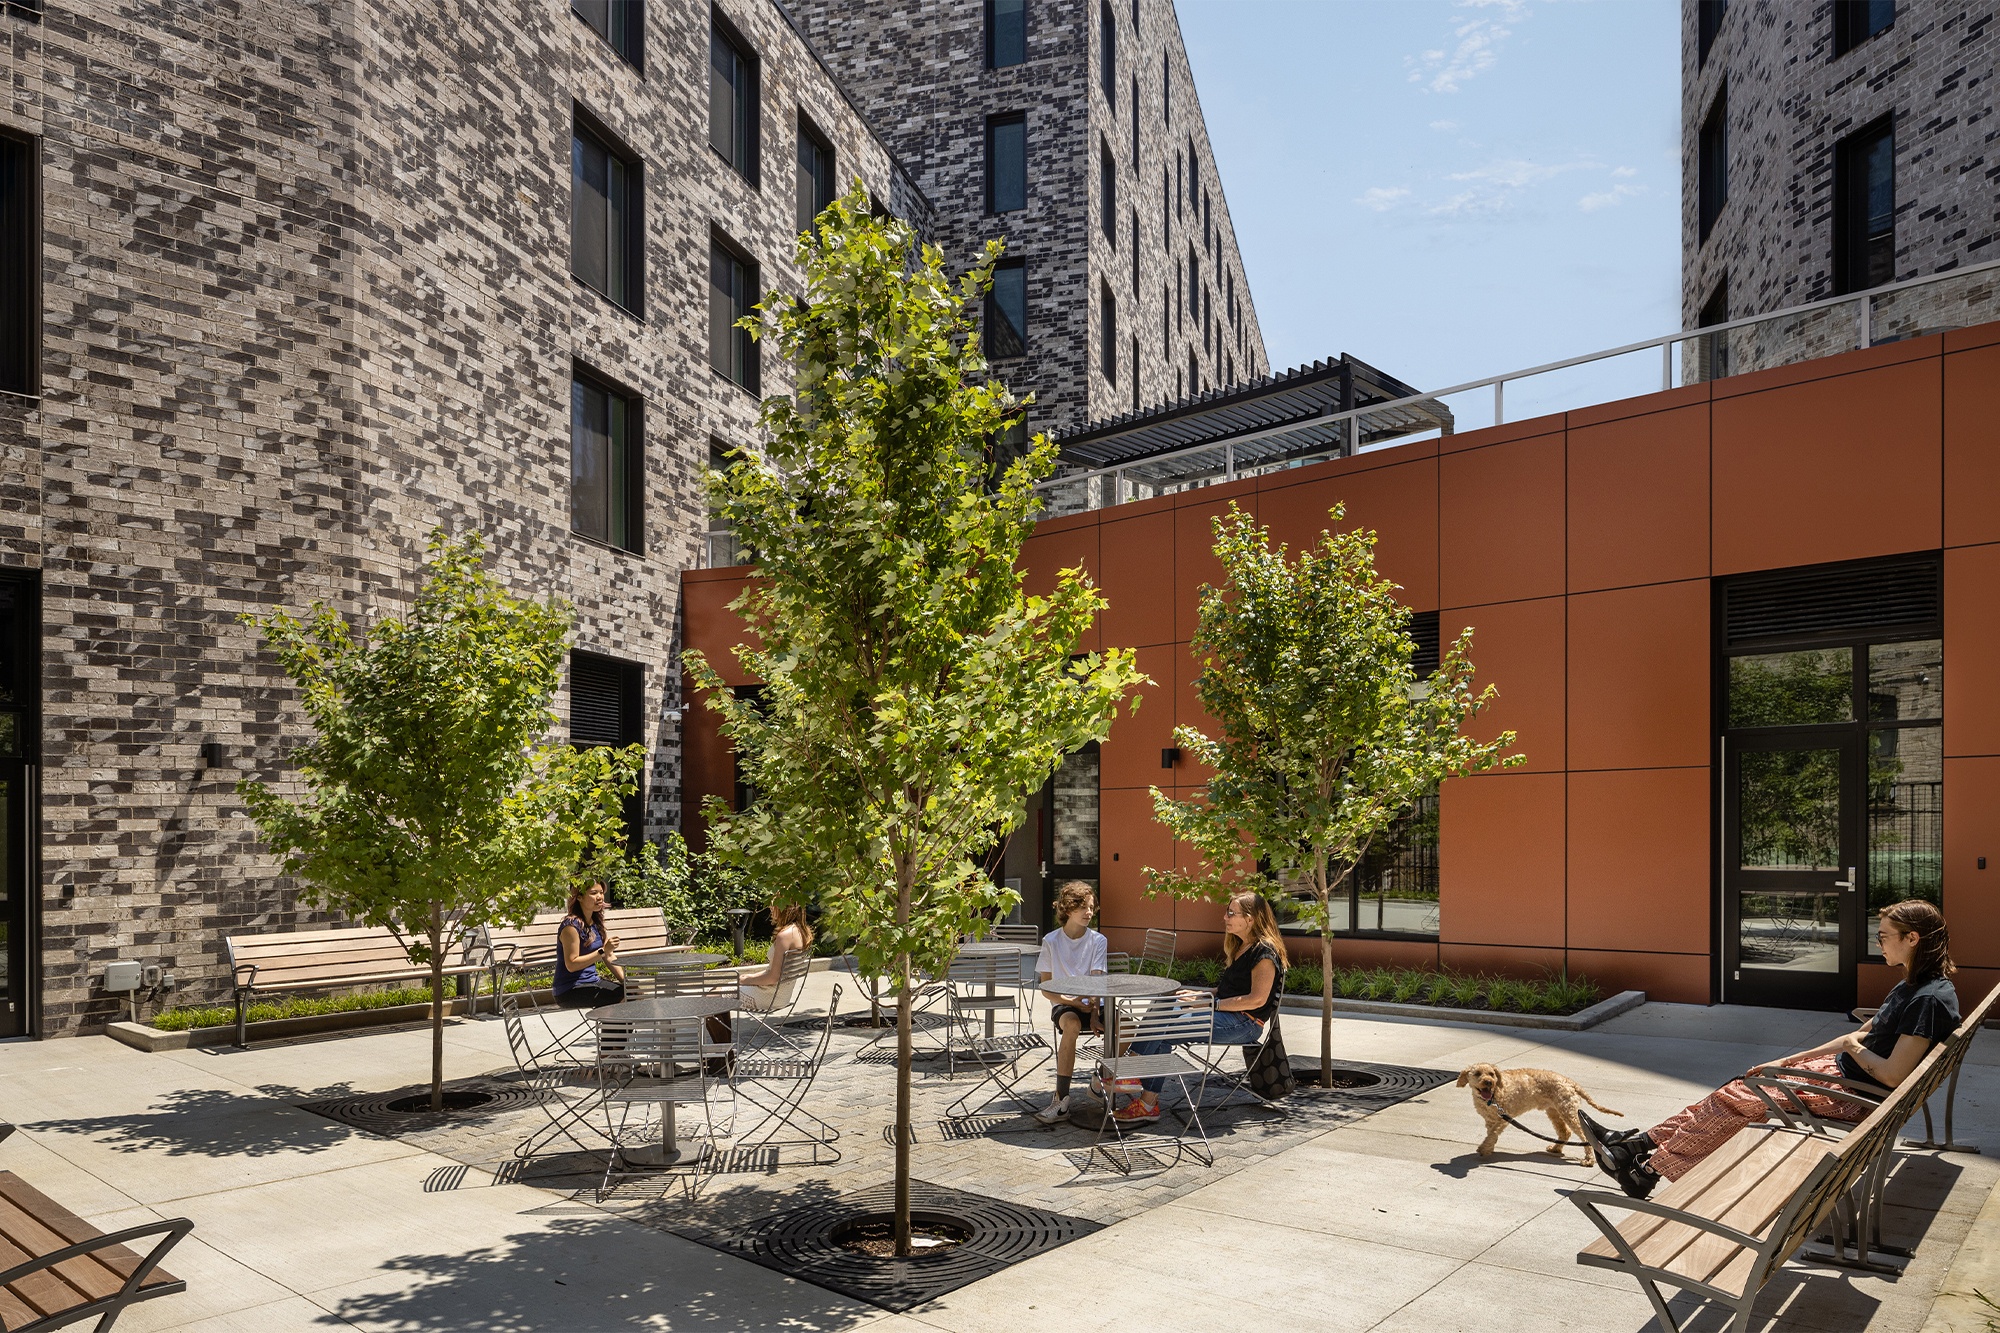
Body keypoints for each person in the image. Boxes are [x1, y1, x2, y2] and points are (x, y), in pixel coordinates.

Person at [1582, 899, 1959, 1199]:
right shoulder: (1912, 985)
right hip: (1845, 1077)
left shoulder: (1927, 1000)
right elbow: (1861, 1036)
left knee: (1735, 1099)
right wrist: (1787, 1060)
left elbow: (1892, 1074)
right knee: (1740, 1084)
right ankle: (1635, 1147)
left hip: (1854, 1096)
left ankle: (1647, 1169)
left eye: (1884, 936)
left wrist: (1848, 1046)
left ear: (1912, 938)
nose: (1878, 943)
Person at [1114, 890, 1287, 1126]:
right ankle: (1144, 1099)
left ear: (1250, 919)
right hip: (1226, 1015)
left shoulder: (1264, 953)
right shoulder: (1242, 947)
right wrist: (1200, 995)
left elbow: (1256, 1000)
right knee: (1165, 1004)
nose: (1225, 917)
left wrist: (1210, 1003)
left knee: (1163, 1026)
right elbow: (1228, 990)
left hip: (1244, 1024)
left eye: (1231, 913)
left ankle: (1131, 1074)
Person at [1034, 881, 1111, 1124]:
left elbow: (1097, 981)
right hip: (1064, 1003)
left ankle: (1099, 1081)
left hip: (1093, 1002)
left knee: (1129, 1026)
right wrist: (1072, 1002)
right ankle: (1061, 1100)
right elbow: (1046, 987)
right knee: (1072, 1025)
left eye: (1091, 907)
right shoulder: (1051, 941)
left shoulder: (1098, 940)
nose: (1089, 912)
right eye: (1083, 907)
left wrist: (1095, 1014)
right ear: (1068, 909)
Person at [554, 881, 625, 1009]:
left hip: (592, 982)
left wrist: (627, 982)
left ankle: (606, 1022)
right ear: (579, 897)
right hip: (569, 989)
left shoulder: (596, 923)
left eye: (601, 893)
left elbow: (609, 956)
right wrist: (603, 951)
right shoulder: (571, 926)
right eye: (593, 893)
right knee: (620, 996)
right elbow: (572, 964)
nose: (600, 897)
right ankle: (606, 1022)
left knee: (631, 993)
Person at [735, 902, 813, 1009]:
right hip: (781, 995)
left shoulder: (785, 936)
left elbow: (773, 978)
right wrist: (750, 977)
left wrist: (747, 980)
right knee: (721, 989)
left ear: (786, 907)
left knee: (714, 994)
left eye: (773, 904)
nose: (770, 907)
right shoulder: (802, 931)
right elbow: (775, 971)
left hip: (769, 995)